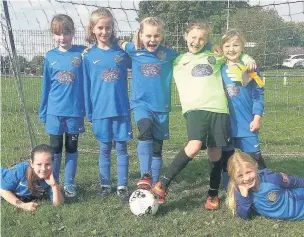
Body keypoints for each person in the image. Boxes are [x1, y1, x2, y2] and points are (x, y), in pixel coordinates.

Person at [151, 20, 256, 210]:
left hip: (219, 110)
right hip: (195, 109)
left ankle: (213, 195)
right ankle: (162, 184)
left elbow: (234, 53)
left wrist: (247, 57)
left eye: (202, 39)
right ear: (185, 37)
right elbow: (150, 52)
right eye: (193, 37)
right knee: (193, 146)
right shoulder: (177, 59)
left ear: (206, 40)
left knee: (215, 153)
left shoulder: (215, 56)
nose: (197, 42)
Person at [117, 17, 180, 189]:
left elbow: (189, 58)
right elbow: (118, 42)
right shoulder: (134, 49)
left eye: (156, 36)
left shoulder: (169, 54)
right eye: (148, 36)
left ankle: (155, 182)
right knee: (144, 131)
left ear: (162, 36)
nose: (152, 40)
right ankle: (145, 174)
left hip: (161, 106)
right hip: (141, 104)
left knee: (157, 146)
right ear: (140, 35)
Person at [83, 8, 132, 203]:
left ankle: (122, 185)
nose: (105, 32)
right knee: (104, 149)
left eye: (108, 27)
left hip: (121, 109)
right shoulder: (87, 56)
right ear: (93, 29)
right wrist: (89, 112)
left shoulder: (121, 53)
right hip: (100, 111)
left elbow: (138, 57)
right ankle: (105, 184)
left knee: (121, 149)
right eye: (100, 28)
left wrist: (126, 44)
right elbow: (86, 86)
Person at [39, 14, 85, 198]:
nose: (62, 37)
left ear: (73, 33)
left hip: (74, 112)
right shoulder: (50, 57)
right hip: (55, 112)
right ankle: (53, 182)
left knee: (72, 148)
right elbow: (46, 87)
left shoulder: (82, 53)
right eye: (58, 34)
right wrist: (43, 111)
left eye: (66, 33)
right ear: (53, 35)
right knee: (55, 148)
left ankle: (70, 184)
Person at [220, 29, 267, 190]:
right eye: (227, 45)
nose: (231, 49)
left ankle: (263, 187)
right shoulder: (218, 68)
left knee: (255, 160)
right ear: (222, 48)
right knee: (227, 161)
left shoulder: (250, 68)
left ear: (243, 46)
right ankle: (230, 191)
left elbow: (258, 94)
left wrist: (257, 117)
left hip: (247, 124)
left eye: (236, 45)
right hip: (226, 125)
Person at [226, 151, 304, 220]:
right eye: (240, 176)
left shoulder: (272, 179)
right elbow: (244, 216)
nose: (246, 178)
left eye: (248, 172)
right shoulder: (240, 191)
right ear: (234, 178)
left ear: (255, 167)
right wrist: (244, 197)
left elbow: (295, 182)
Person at [0, 144, 64, 211]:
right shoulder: (22, 170)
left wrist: (54, 186)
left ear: (52, 163)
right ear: (32, 164)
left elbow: (58, 204)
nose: (43, 169)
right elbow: (3, 190)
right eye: (39, 164)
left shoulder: (51, 175)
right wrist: (23, 205)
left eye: (47, 164)